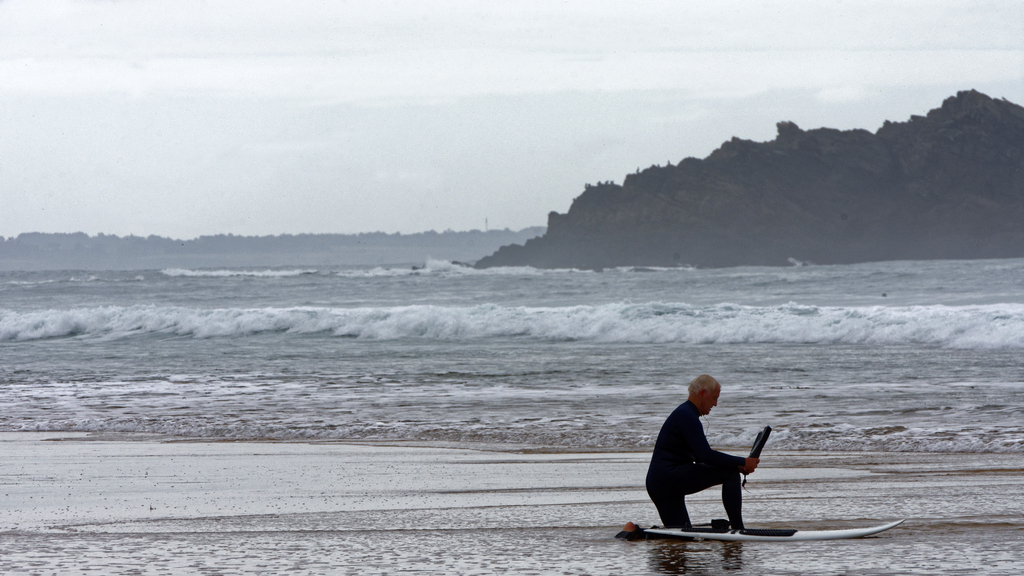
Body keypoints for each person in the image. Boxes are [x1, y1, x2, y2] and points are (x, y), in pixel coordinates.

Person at [646, 374, 758, 530]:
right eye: (714, 398)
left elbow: (700, 458)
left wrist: (738, 465)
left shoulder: (684, 413)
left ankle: (634, 531)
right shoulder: (687, 416)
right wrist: (742, 462)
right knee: (730, 473)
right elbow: (707, 456)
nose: (715, 403)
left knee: (682, 534)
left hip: (658, 483)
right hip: (668, 477)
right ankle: (739, 529)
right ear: (702, 394)